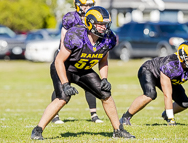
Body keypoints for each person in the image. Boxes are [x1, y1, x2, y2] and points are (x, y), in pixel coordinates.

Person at [31, 6, 135, 140]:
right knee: (63, 98)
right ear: (90, 23)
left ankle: (118, 130)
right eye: (100, 24)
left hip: (83, 70)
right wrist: (65, 84)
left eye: (106, 24)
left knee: (105, 94)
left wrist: (104, 78)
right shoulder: (76, 35)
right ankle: (37, 130)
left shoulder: (109, 38)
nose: (104, 27)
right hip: (65, 67)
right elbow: (59, 61)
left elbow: (103, 59)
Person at [51, 0, 103, 124]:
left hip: (83, 56)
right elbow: (64, 40)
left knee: (89, 84)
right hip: (67, 56)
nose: (88, 7)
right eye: (85, 5)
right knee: (62, 86)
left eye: (90, 5)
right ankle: (55, 115)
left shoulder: (94, 17)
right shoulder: (70, 18)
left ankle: (94, 114)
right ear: (78, 5)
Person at [120, 41, 188, 126]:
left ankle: (166, 114)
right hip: (150, 70)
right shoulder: (171, 65)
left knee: (184, 103)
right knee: (150, 94)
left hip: (167, 77)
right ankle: (125, 117)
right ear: (182, 56)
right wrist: (171, 119)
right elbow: (167, 94)